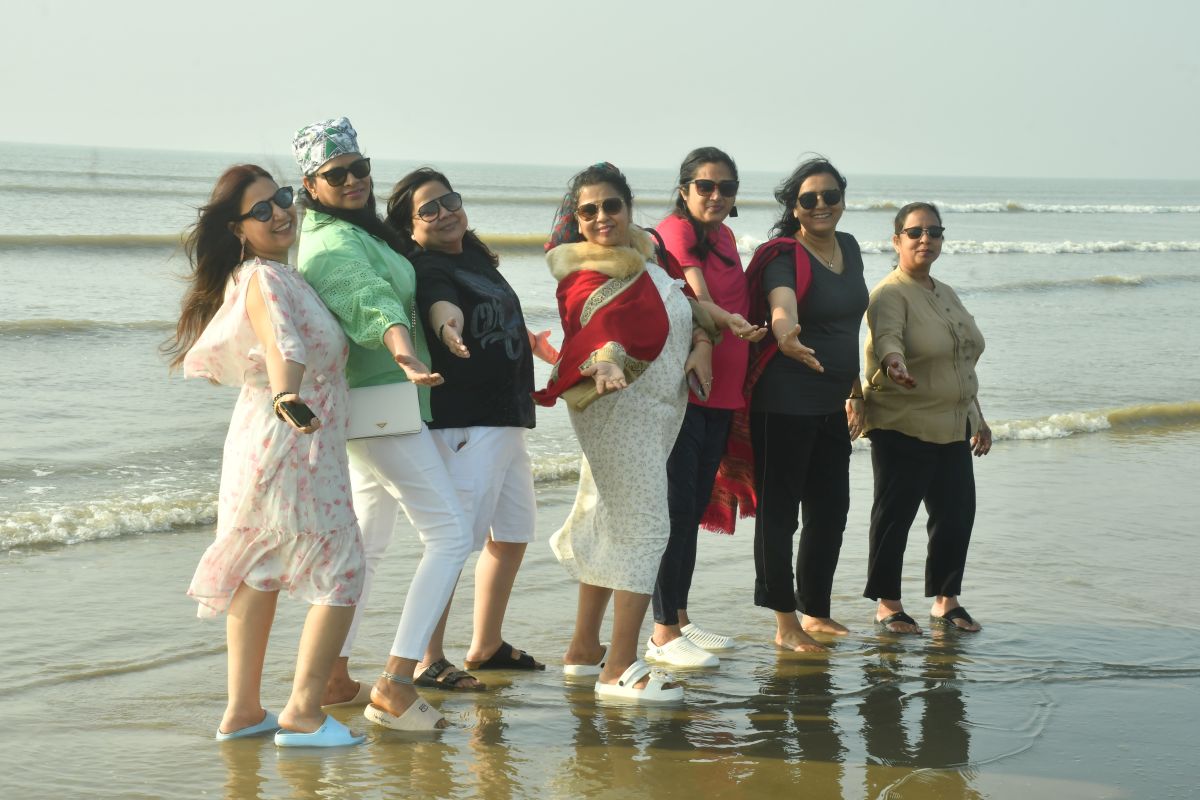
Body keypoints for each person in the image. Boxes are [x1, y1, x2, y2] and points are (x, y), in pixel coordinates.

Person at [167, 164, 366, 747]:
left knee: (260, 569)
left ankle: (243, 712)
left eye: (280, 198)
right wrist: (287, 394)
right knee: (343, 566)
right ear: (238, 229)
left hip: (267, 437)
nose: (279, 212)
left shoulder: (277, 274)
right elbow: (284, 345)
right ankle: (302, 712)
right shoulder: (265, 279)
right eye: (260, 210)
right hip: (292, 439)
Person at [292, 118, 473, 731]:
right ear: (310, 185)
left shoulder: (356, 229)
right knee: (450, 534)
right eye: (335, 175)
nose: (352, 181)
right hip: (382, 402)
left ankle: (333, 676)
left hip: (379, 404)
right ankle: (396, 683)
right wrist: (403, 351)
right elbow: (367, 299)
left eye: (359, 168)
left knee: (366, 545)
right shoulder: (331, 245)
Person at [533, 162, 716, 703]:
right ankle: (618, 668)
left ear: (629, 208)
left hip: (654, 410)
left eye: (611, 205)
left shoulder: (646, 257)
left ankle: (583, 650)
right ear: (576, 219)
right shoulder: (581, 271)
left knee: (607, 518)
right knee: (646, 528)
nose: (601, 217)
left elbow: (683, 306)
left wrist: (712, 332)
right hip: (616, 407)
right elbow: (598, 330)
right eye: (588, 210)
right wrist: (607, 361)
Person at [384, 167, 557, 674]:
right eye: (428, 209)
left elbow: (496, 320)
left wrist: (535, 346)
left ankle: (486, 644)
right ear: (410, 226)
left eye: (449, 201)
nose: (444, 214)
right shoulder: (428, 267)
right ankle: (427, 659)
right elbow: (444, 308)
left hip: (505, 420)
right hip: (465, 424)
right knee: (454, 543)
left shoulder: (475, 258)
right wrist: (448, 329)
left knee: (512, 533)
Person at [706, 157, 868, 652]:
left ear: (842, 200)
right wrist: (785, 335)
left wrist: (856, 390)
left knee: (831, 510)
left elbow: (847, 329)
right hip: (784, 403)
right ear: (793, 207)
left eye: (830, 196)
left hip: (832, 402)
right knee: (780, 515)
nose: (821, 205)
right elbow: (782, 305)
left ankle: (815, 610)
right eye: (808, 199)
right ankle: (784, 622)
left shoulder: (849, 247)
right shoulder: (783, 254)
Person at [646, 147, 766, 669]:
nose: (716, 195)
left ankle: (680, 617)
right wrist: (729, 322)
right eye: (705, 186)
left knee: (693, 508)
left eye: (726, 187)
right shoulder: (673, 231)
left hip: (724, 393)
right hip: (687, 389)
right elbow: (694, 297)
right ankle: (661, 633)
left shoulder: (726, 237)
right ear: (684, 189)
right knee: (674, 510)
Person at [862, 202, 990, 634]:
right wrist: (894, 362)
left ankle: (946, 601)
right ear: (896, 240)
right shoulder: (889, 293)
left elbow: (962, 360)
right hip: (903, 422)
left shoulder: (946, 292)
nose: (925, 239)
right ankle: (888, 605)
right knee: (895, 516)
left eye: (934, 232)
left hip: (954, 424)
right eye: (915, 232)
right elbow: (887, 339)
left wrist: (979, 416)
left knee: (956, 515)